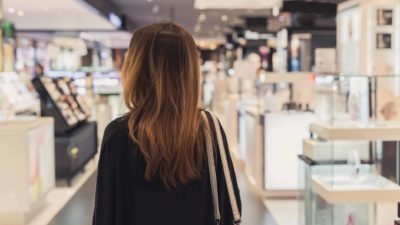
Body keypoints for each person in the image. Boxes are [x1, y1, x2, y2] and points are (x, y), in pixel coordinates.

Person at [92, 22, 241, 225]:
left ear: (135, 70)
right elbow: (229, 206)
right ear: (190, 72)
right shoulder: (208, 130)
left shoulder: (118, 135)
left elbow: (105, 215)